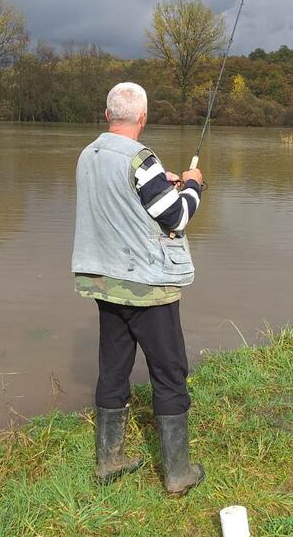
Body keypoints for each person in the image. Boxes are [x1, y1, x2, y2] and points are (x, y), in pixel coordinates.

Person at [71, 81, 205, 495]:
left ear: (108, 114)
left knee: (113, 369)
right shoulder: (140, 158)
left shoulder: (88, 154)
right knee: (169, 372)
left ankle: (109, 461)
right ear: (143, 118)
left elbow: (119, 198)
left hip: (105, 283)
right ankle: (178, 473)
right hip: (147, 287)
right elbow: (177, 218)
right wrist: (193, 184)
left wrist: (160, 182)